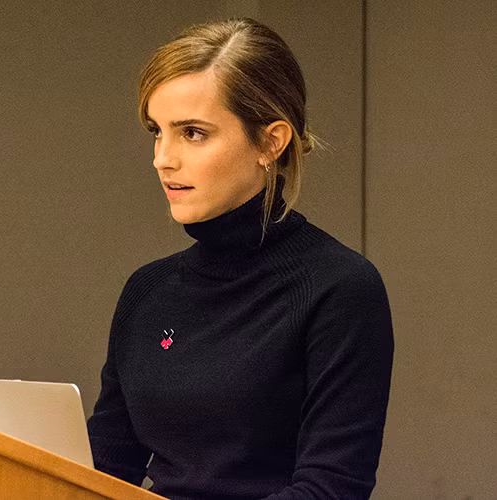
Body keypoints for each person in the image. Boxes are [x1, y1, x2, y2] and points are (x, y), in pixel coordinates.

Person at [87, 17, 394, 500]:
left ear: (271, 141)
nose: (162, 158)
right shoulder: (147, 291)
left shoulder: (340, 288)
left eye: (192, 133)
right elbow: (102, 470)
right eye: (157, 131)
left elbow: (332, 488)